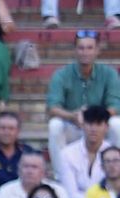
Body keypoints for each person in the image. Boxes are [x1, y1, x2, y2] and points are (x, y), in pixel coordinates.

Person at [45, 29, 120, 160]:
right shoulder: (62, 74)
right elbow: (52, 107)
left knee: (116, 124)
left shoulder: (109, 73)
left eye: (90, 48)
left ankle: (116, 172)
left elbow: (115, 106)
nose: (85, 52)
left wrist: (92, 118)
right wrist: (73, 116)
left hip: (98, 125)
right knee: (55, 125)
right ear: (75, 50)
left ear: (97, 50)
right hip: (73, 125)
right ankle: (60, 175)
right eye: (81, 48)